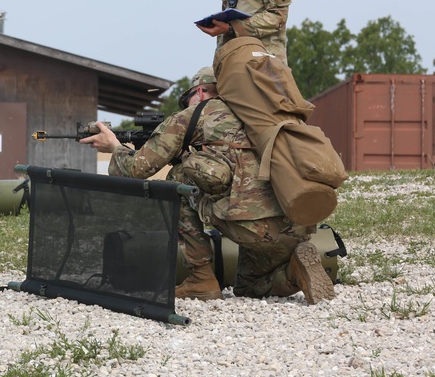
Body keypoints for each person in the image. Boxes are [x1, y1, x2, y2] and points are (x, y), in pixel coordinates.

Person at [79, 67, 334, 305]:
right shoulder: (268, 113)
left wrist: (114, 147)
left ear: (200, 91)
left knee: (179, 178)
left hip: (248, 225)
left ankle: (202, 278)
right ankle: (294, 270)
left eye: (188, 97)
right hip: (298, 221)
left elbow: (136, 169)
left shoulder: (197, 114)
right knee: (247, 287)